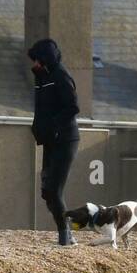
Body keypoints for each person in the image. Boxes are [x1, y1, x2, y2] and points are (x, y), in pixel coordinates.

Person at [28, 39, 81, 246]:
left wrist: (53, 125)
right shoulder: (42, 78)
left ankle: (65, 235)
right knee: (46, 191)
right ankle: (66, 229)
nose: (34, 64)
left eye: (37, 60)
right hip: (50, 141)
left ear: (45, 59)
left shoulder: (60, 76)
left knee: (54, 189)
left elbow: (73, 107)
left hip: (66, 139)